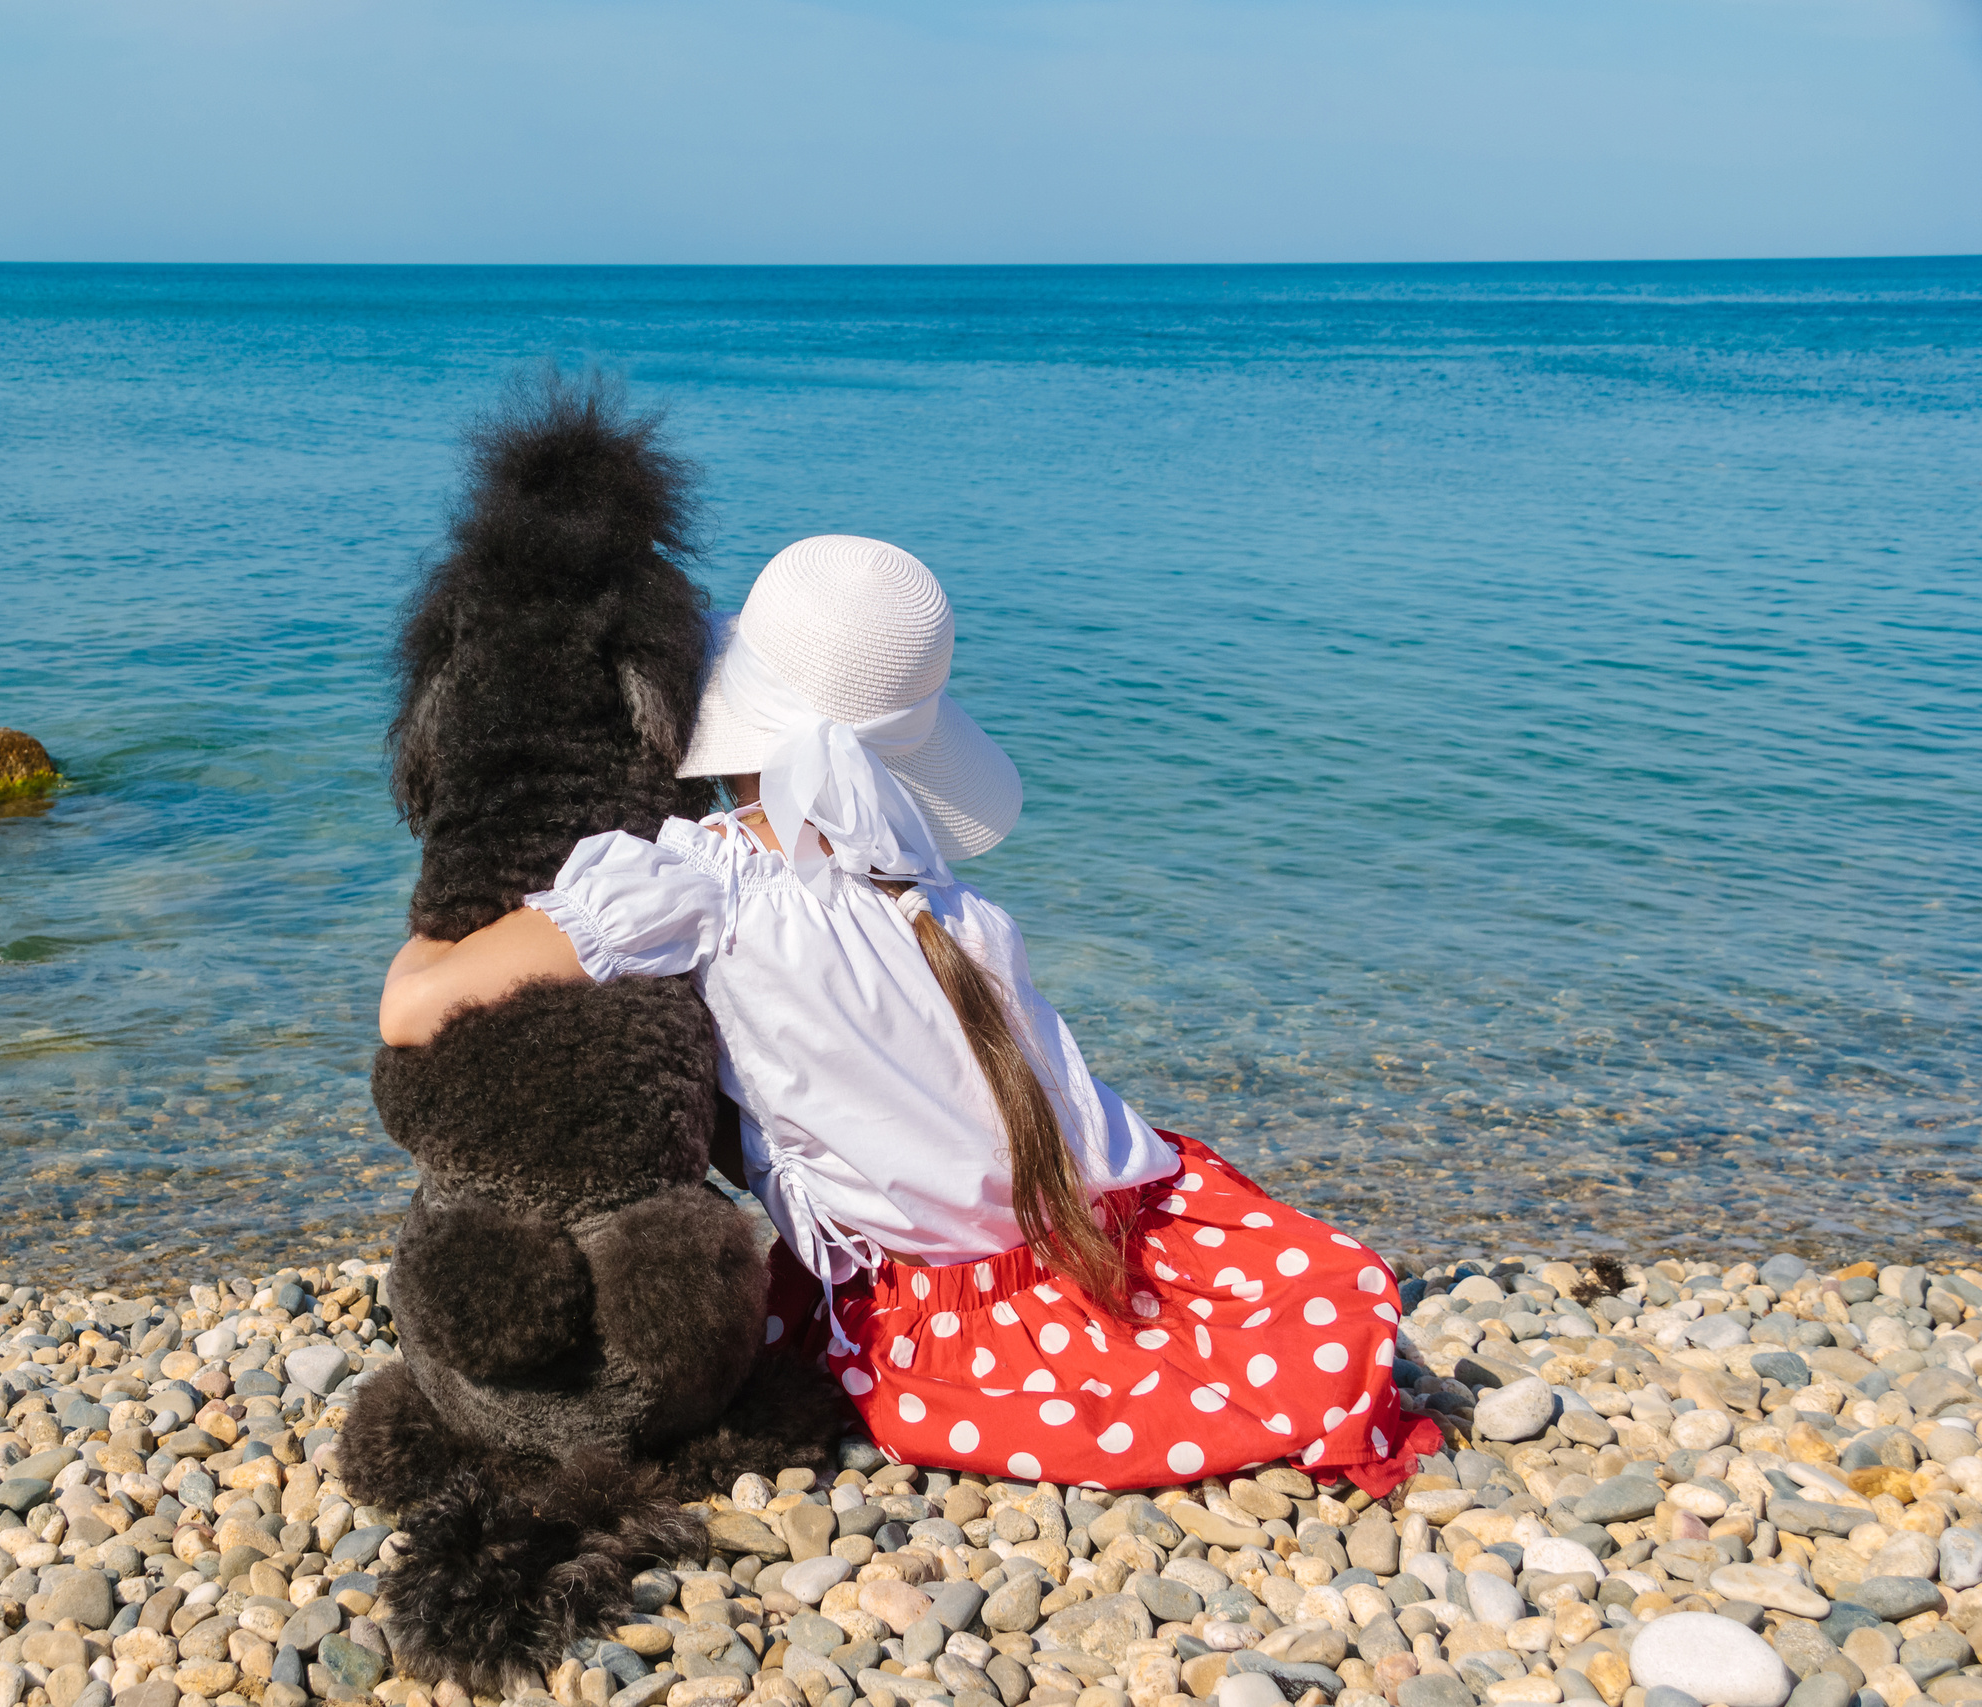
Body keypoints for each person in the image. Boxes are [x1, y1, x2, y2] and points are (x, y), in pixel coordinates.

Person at [380, 534, 1435, 1493]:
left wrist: (459, 900)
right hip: (1125, 1223)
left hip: (948, 1318)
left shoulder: (696, 885)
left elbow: (414, 1009)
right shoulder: (943, 901)